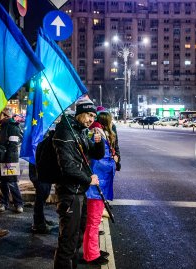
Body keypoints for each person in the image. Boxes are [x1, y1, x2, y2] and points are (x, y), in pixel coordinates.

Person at [52, 98, 105, 269]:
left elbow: (95, 154)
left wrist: (99, 142)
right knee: (67, 240)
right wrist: (89, 179)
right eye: (89, 115)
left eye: (93, 116)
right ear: (80, 113)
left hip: (79, 191)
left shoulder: (80, 131)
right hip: (69, 192)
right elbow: (67, 167)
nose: (91, 119)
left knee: (76, 238)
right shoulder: (66, 132)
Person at [83, 111, 117, 265]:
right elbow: (98, 162)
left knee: (94, 221)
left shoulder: (98, 133)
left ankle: (93, 250)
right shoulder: (98, 135)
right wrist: (113, 162)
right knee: (93, 221)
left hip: (98, 185)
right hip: (97, 185)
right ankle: (91, 254)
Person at [0, 107, 24, 213]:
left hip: (9, 159)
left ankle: (18, 204)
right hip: (2, 158)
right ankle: (3, 203)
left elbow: (13, 145)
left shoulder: (12, 126)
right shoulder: (2, 125)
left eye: (0, 114)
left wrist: (5, 157)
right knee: (3, 182)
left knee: (11, 182)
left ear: (5, 115)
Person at [29, 159, 55, 234]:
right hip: (40, 178)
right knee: (39, 201)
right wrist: (34, 179)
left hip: (46, 176)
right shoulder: (35, 148)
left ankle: (41, 219)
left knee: (43, 198)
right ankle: (38, 224)